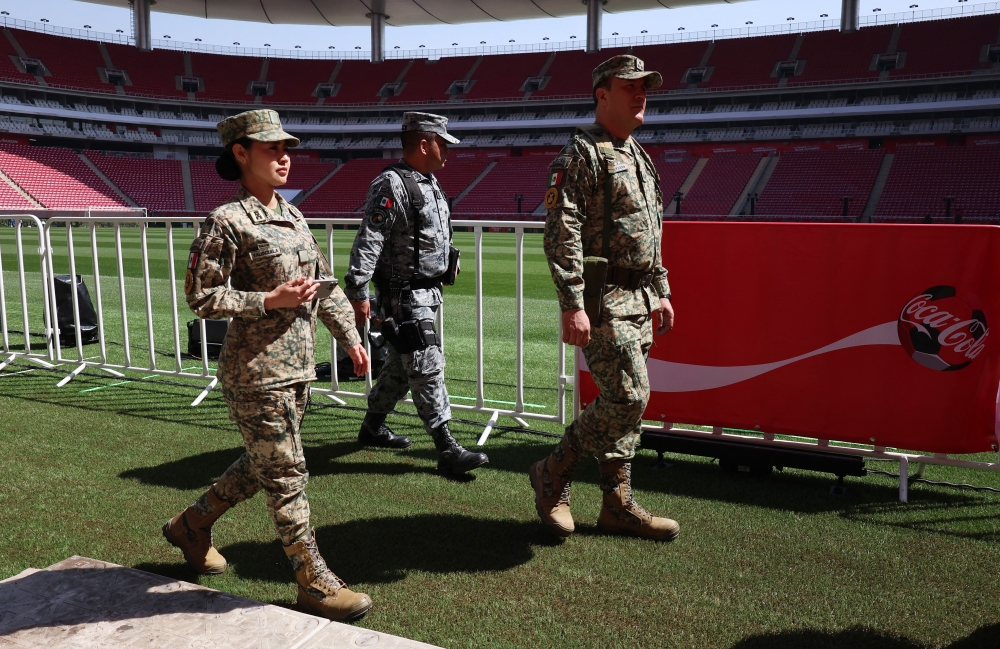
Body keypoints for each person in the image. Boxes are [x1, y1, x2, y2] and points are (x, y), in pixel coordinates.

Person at [162, 109, 373, 622]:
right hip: (255, 374)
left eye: (287, 148)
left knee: (263, 466)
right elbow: (201, 296)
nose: (285, 157)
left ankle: (191, 525)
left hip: (297, 371)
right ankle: (313, 580)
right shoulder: (226, 222)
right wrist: (266, 300)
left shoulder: (294, 215)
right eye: (272, 149)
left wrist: (348, 334)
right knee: (287, 474)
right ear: (241, 153)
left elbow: (323, 284)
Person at [530, 55, 680, 542]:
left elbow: (650, 233)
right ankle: (554, 470)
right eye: (629, 86)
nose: (641, 95)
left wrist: (660, 290)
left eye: (645, 88)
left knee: (629, 408)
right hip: (604, 297)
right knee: (628, 396)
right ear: (602, 95)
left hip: (638, 298)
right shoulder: (582, 153)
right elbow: (562, 229)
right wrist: (571, 301)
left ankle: (617, 504)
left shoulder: (637, 155)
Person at [343, 112, 488, 475]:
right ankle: (447, 447)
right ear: (424, 143)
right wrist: (358, 291)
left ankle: (372, 426)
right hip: (403, 295)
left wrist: (446, 261)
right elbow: (369, 240)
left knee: (400, 367)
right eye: (443, 142)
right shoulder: (391, 185)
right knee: (426, 366)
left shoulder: (428, 182)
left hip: (426, 293)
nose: (447, 151)